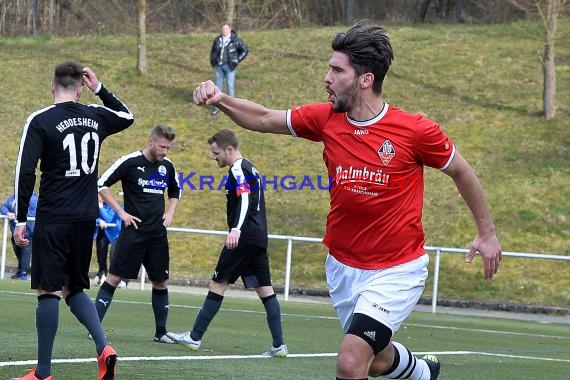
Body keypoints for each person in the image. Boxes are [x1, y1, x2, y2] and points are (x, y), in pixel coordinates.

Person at [191, 21, 502, 380]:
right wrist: (220, 99)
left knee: (351, 361)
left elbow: (462, 171)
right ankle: (421, 373)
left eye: (337, 70)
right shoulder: (326, 119)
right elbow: (262, 118)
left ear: (365, 79)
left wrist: (487, 232)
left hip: (396, 270)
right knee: (378, 359)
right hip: (342, 267)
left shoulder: (415, 130)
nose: (327, 77)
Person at [12, 61, 134, 380]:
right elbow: (127, 116)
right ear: (80, 88)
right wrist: (100, 88)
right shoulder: (96, 115)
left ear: (53, 85)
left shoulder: (40, 120)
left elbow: (25, 172)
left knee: (48, 291)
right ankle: (104, 348)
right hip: (86, 218)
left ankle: (42, 373)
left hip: (54, 217)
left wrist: (21, 218)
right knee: (74, 288)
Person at [167, 129, 287, 357]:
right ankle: (279, 345)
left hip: (244, 237)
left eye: (216, 153)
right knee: (265, 290)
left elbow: (243, 199)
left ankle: (194, 338)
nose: (214, 157)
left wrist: (236, 229)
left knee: (217, 283)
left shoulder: (238, 169)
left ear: (229, 150)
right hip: (259, 237)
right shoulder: (252, 168)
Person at [95, 124, 181, 344]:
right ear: (151, 142)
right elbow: (101, 184)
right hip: (132, 233)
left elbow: (175, 191)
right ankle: (94, 329)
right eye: (162, 147)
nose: (165, 152)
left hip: (157, 235)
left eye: (168, 148)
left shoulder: (167, 166)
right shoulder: (130, 161)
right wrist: (121, 212)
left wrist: (169, 213)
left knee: (160, 281)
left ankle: (161, 332)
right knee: (113, 278)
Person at [209, 21, 248, 116]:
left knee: (230, 86)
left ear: (230, 30)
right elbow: (213, 52)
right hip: (219, 66)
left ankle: (231, 108)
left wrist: (237, 60)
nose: (224, 31)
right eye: (223, 29)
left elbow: (245, 50)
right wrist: (213, 61)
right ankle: (216, 107)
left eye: (226, 29)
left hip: (230, 67)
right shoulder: (217, 40)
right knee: (217, 87)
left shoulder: (235, 40)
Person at [1, 192, 38, 281]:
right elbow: (3, 207)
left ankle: (23, 273)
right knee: (18, 251)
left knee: (26, 252)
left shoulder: (34, 199)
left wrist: (19, 215)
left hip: (28, 232)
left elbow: (33, 212)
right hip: (15, 232)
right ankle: (21, 269)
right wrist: (8, 213)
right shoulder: (11, 198)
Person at [93, 193, 125, 287]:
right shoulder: (94, 205)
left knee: (114, 255)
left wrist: (101, 207)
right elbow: (91, 216)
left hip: (115, 234)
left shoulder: (112, 205)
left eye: (100, 195)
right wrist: (99, 221)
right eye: (98, 195)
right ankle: (102, 272)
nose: (98, 197)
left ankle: (116, 277)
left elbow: (109, 218)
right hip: (104, 234)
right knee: (100, 252)